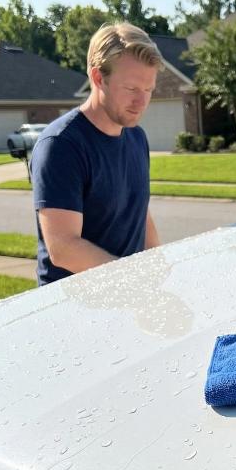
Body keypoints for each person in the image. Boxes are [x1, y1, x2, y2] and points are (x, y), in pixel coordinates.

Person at [31, 22, 162, 286]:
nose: (141, 102)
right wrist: (131, 279)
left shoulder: (136, 137)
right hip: (73, 302)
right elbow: (63, 247)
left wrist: (157, 265)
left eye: (148, 90)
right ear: (98, 78)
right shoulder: (61, 145)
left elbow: (139, 213)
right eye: (132, 89)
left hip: (126, 291)